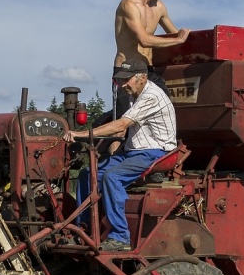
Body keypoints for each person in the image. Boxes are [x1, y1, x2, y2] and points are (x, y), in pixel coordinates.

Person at [63, 59, 177, 251]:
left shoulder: (152, 96)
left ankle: (120, 237)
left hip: (155, 152)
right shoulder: (135, 95)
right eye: (121, 80)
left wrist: (81, 134)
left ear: (142, 78)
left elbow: (122, 124)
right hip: (133, 151)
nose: (123, 84)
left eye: (127, 80)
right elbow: (122, 129)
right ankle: (83, 228)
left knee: (112, 177)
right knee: (86, 174)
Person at [110, 0, 190, 122]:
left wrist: (192, 40)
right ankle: (116, 146)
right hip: (127, 71)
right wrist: (178, 39)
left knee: (165, 112)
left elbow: (174, 35)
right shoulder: (128, 5)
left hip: (149, 71)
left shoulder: (159, 7)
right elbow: (144, 40)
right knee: (123, 123)